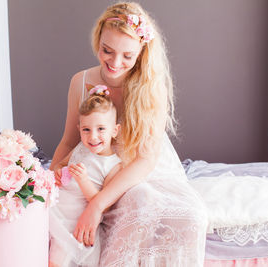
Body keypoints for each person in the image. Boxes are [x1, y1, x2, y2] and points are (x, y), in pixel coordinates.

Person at [50, 2, 208, 266]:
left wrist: (97, 204)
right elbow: (69, 140)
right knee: (139, 202)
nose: (115, 62)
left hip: (139, 167)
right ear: (98, 40)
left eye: (127, 55)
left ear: (140, 53)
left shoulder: (150, 88)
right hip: (99, 165)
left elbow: (145, 160)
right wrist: (54, 174)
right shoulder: (80, 82)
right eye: (107, 50)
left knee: (187, 213)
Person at [50, 86, 122, 267]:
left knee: (58, 256)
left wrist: (84, 181)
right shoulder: (81, 148)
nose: (93, 136)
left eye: (101, 129)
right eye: (86, 130)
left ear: (115, 130)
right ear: (79, 128)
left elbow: (103, 205)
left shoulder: (114, 165)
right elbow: (61, 164)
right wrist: (58, 172)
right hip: (58, 205)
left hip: (75, 217)